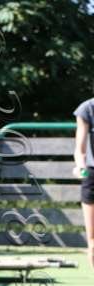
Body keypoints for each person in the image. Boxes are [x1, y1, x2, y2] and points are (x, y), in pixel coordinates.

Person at [73, 96, 94, 267]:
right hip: (92, 175)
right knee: (93, 241)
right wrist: (80, 166)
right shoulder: (87, 108)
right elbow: (80, 149)